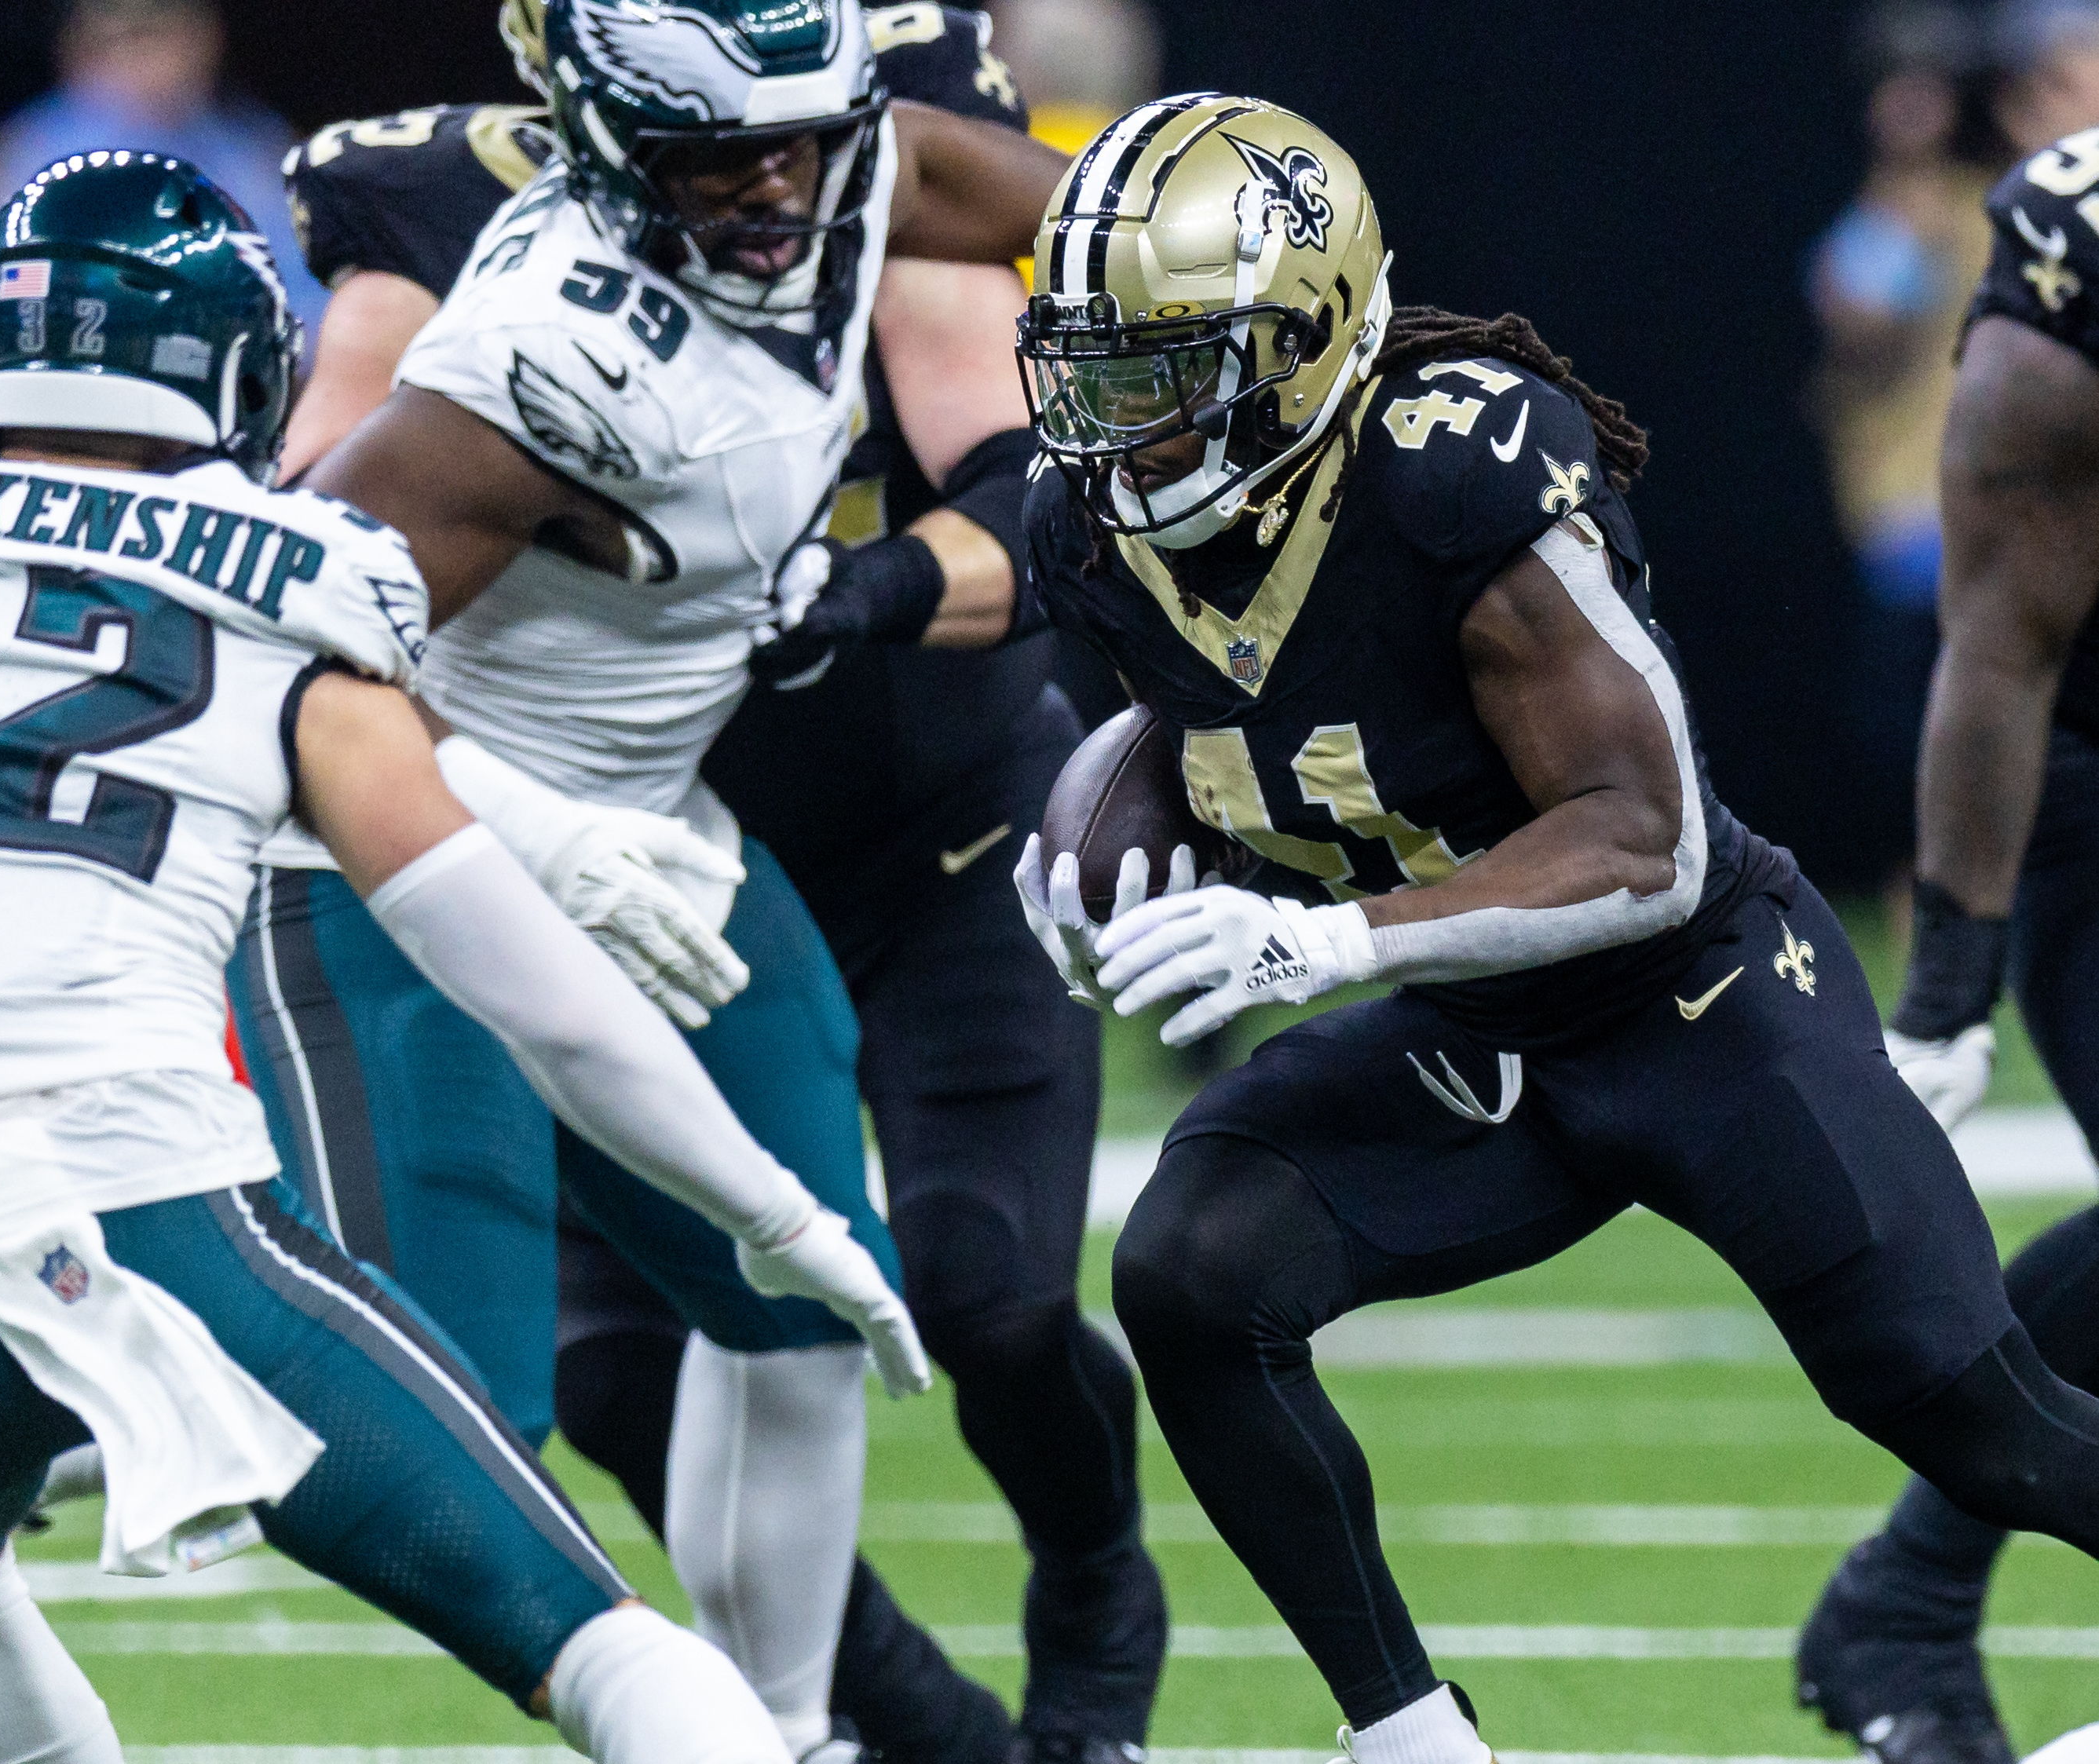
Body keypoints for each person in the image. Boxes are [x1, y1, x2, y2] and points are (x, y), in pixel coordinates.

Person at [0, 152, 929, 1764]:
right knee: (602, 1651)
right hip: (156, 1232)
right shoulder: (284, 580)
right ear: (237, 365)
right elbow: (537, 991)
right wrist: (775, 1207)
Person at [877, 90, 2099, 1763]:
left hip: (1691, 997)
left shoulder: (1454, 459)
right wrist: (1105, 865)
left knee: (1987, 1429)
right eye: (1084, 371)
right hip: (1476, 1026)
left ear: (1296, 344)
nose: (1107, 427)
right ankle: (1409, 1740)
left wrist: (1336, 943)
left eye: (1154, 375)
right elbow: (1199, 733)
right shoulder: (1092, 527)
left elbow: (1643, 838)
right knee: (1187, 1265)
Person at [260, 8, 1160, 1762]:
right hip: (468, 851)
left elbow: (1111, 240)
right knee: (455, 1402)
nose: (767, 186)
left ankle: (794, 1728)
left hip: (686, 840)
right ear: (591, 133)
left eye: (794, 141)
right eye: (708, 151)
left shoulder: (866, 158)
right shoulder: (526, 362)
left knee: (829, 1291)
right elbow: (287, 655)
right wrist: (533, 829)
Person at [1793, 113, 2099, 1764]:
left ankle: (1897, 1594)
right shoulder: (2066, 288)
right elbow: (1992, 649)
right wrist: (1949, 986)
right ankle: (1902, 1595)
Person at [1807, 4, 2002, 873]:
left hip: (1990, 506)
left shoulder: (1992, 207)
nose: (1913, 106)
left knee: (1996, 713)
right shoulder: (1865, 230)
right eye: (1898, 88)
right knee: (1899, 726)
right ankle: (1914, 882)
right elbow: (1858, 345)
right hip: (1898, 515)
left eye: (1927, 87)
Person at [0, 0, 322, 344]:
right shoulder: (28, 153)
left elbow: (309, 303)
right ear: (78, 51)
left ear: (207, 41)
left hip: (225, 382)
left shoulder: (252, 149)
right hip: (70, 376)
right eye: (126, 41)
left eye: (167, 37)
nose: (154, 62)